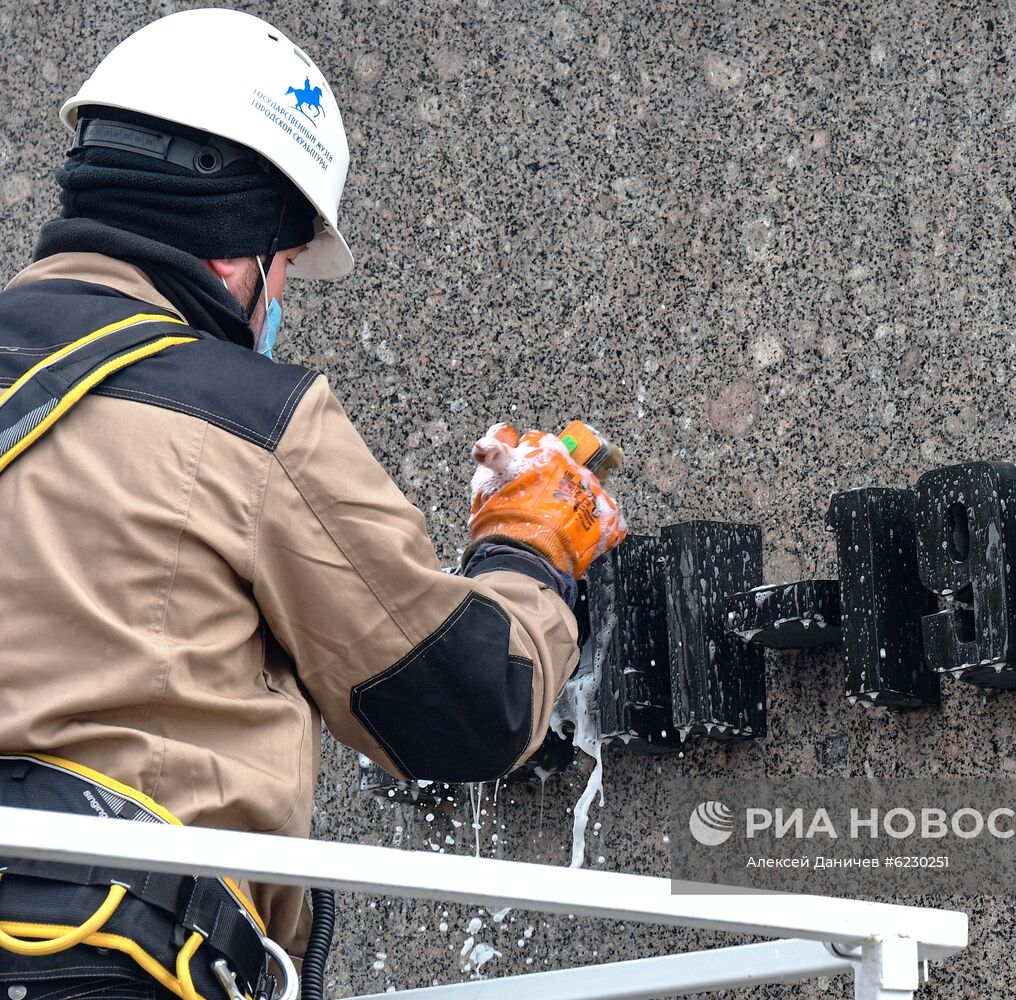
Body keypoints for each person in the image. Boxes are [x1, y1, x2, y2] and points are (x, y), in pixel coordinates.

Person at [0, 8, 625, 1000]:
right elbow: (465, 706)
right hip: (103, 965)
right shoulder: (247, 417)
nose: (281, 293)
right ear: (232, 242)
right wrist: (529, 550)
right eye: (286, 263)